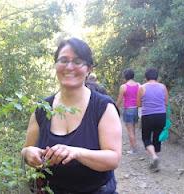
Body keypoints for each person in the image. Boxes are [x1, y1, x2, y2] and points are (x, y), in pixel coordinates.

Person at [21, 38, 122, 194]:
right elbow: (26, 149)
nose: (69, 67)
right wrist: (28, 154)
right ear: (55, 65)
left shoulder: (103, 107)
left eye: (77, 61)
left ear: (88, 69)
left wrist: (76, 152)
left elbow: (113, 158)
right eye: (63, 60)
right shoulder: (42, 109)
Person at [137, 67, 168, 172]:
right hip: (161, 115)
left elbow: (138, 104)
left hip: (148, 116)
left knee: (146, 138)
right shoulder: (163, 87)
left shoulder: (142, 88)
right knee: (157, 138)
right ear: (157, 77)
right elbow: (166, 102)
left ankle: (154, 157)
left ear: (146, 77)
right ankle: (155, 162)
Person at [116, 68, 140, 154]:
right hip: (136, 109)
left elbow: (119, 100)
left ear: (125, 76)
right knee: (133, 129)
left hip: (128, 109)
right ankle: (133, 145)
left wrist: (115, 108)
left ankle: (134, 149)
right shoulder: (139, 85)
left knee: (130, 130)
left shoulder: (123, 87)